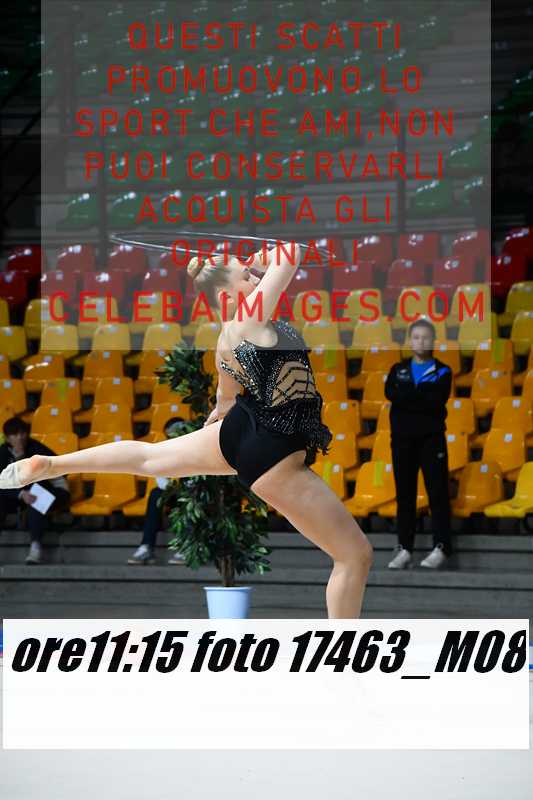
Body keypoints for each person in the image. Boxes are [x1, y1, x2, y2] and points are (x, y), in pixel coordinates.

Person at [0, 241, 373, 618]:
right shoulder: (249, 319)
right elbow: (290, 255)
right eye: (246, 275)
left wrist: (217, 421)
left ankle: (54, 464)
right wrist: (266, 257)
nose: (255, 276)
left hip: (243, 428)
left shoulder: (227, 336)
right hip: (273, 448)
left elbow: (225, 399)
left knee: (149, 459)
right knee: (353, 556)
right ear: (227, 295)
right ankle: (341, 651)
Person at [384, 318, 453, 570]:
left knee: (437, 493)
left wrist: (407, 397)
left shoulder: (443, 371)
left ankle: (442, 546)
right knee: (405, 496)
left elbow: (435, 400)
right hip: (402, 441)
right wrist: (419, 395)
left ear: (433, 341)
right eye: (416, 337)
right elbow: (391, 393)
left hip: (431, 439)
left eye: (425, 337)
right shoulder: (397, 369)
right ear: (409, 341)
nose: (420, 341)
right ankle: (405, 548)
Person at [0, 416, 70, 564]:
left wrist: (22, 458)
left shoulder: (37, 449)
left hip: (54, 490)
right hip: (23, 493)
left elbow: (51, 474)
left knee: (36, 497)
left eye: (22, 433)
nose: (20, 437)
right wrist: (20, 494)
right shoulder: (3, 453)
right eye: (14, 434)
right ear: (7, 438)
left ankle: (35, 547)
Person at [127, 420, 185, 566]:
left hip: (193, 494)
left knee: (190, 496)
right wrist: (174, 488)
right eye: (170, 434)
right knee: (155, 494)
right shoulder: (164, 452)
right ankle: (146, 546)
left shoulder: (194, 448)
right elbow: (161, 482)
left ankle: (186, 546)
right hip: (174, 492)